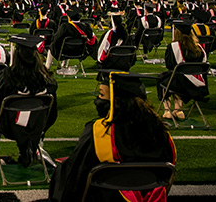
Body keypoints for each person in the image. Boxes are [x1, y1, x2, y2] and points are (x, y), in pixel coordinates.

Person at [49, 72, 176, 202]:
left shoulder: (100, 131)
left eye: (101, 95)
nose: (98, 99)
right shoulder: (161, 133)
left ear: (115, 102)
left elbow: (76, 171)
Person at [0, 34, 57, 168]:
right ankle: (29, 150)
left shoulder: (7, 76)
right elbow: (52, 113)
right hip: (36, 127)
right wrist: (42, 127)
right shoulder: (47, 80)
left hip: (9, 128)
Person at [156, 20, 207, 120]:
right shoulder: (199, 48)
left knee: (164, 78)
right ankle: (178, 110)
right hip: (199, 86)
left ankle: (167, 110)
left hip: (182, 85)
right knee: (176, 76)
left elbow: (169, 65)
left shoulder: (174, 47)